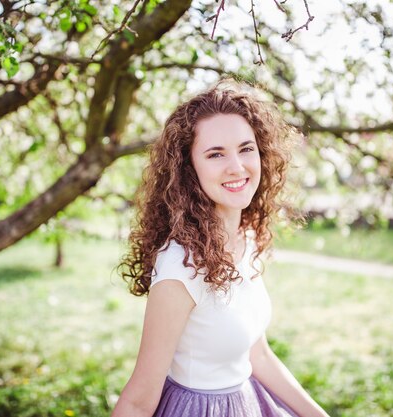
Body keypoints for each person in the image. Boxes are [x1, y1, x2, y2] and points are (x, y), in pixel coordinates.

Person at [113, 81, 330, 417]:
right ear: (189, 169)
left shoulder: (248, 238)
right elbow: (139, 401)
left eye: (246, 149)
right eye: (216, 154)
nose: (237, 166)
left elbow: (255, 354)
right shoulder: (180, 267)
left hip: (247, 401)